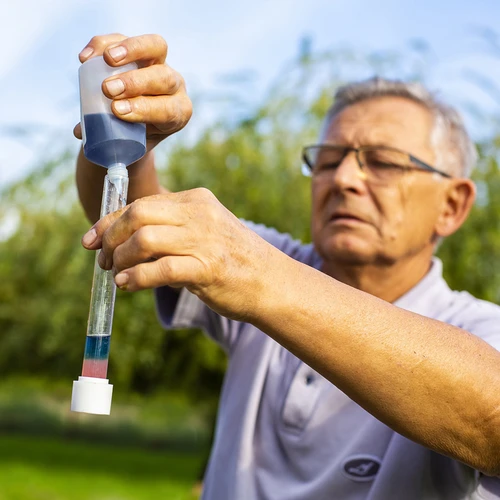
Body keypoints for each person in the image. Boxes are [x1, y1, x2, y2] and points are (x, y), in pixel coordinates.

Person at [75, 34, 500, 500]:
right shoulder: (272, 262)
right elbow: (134, 218)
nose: (343, 179)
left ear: (453, 205)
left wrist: (260, 277)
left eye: (382, 162)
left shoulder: (476, 328)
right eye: (328, 159)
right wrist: (131, 138)